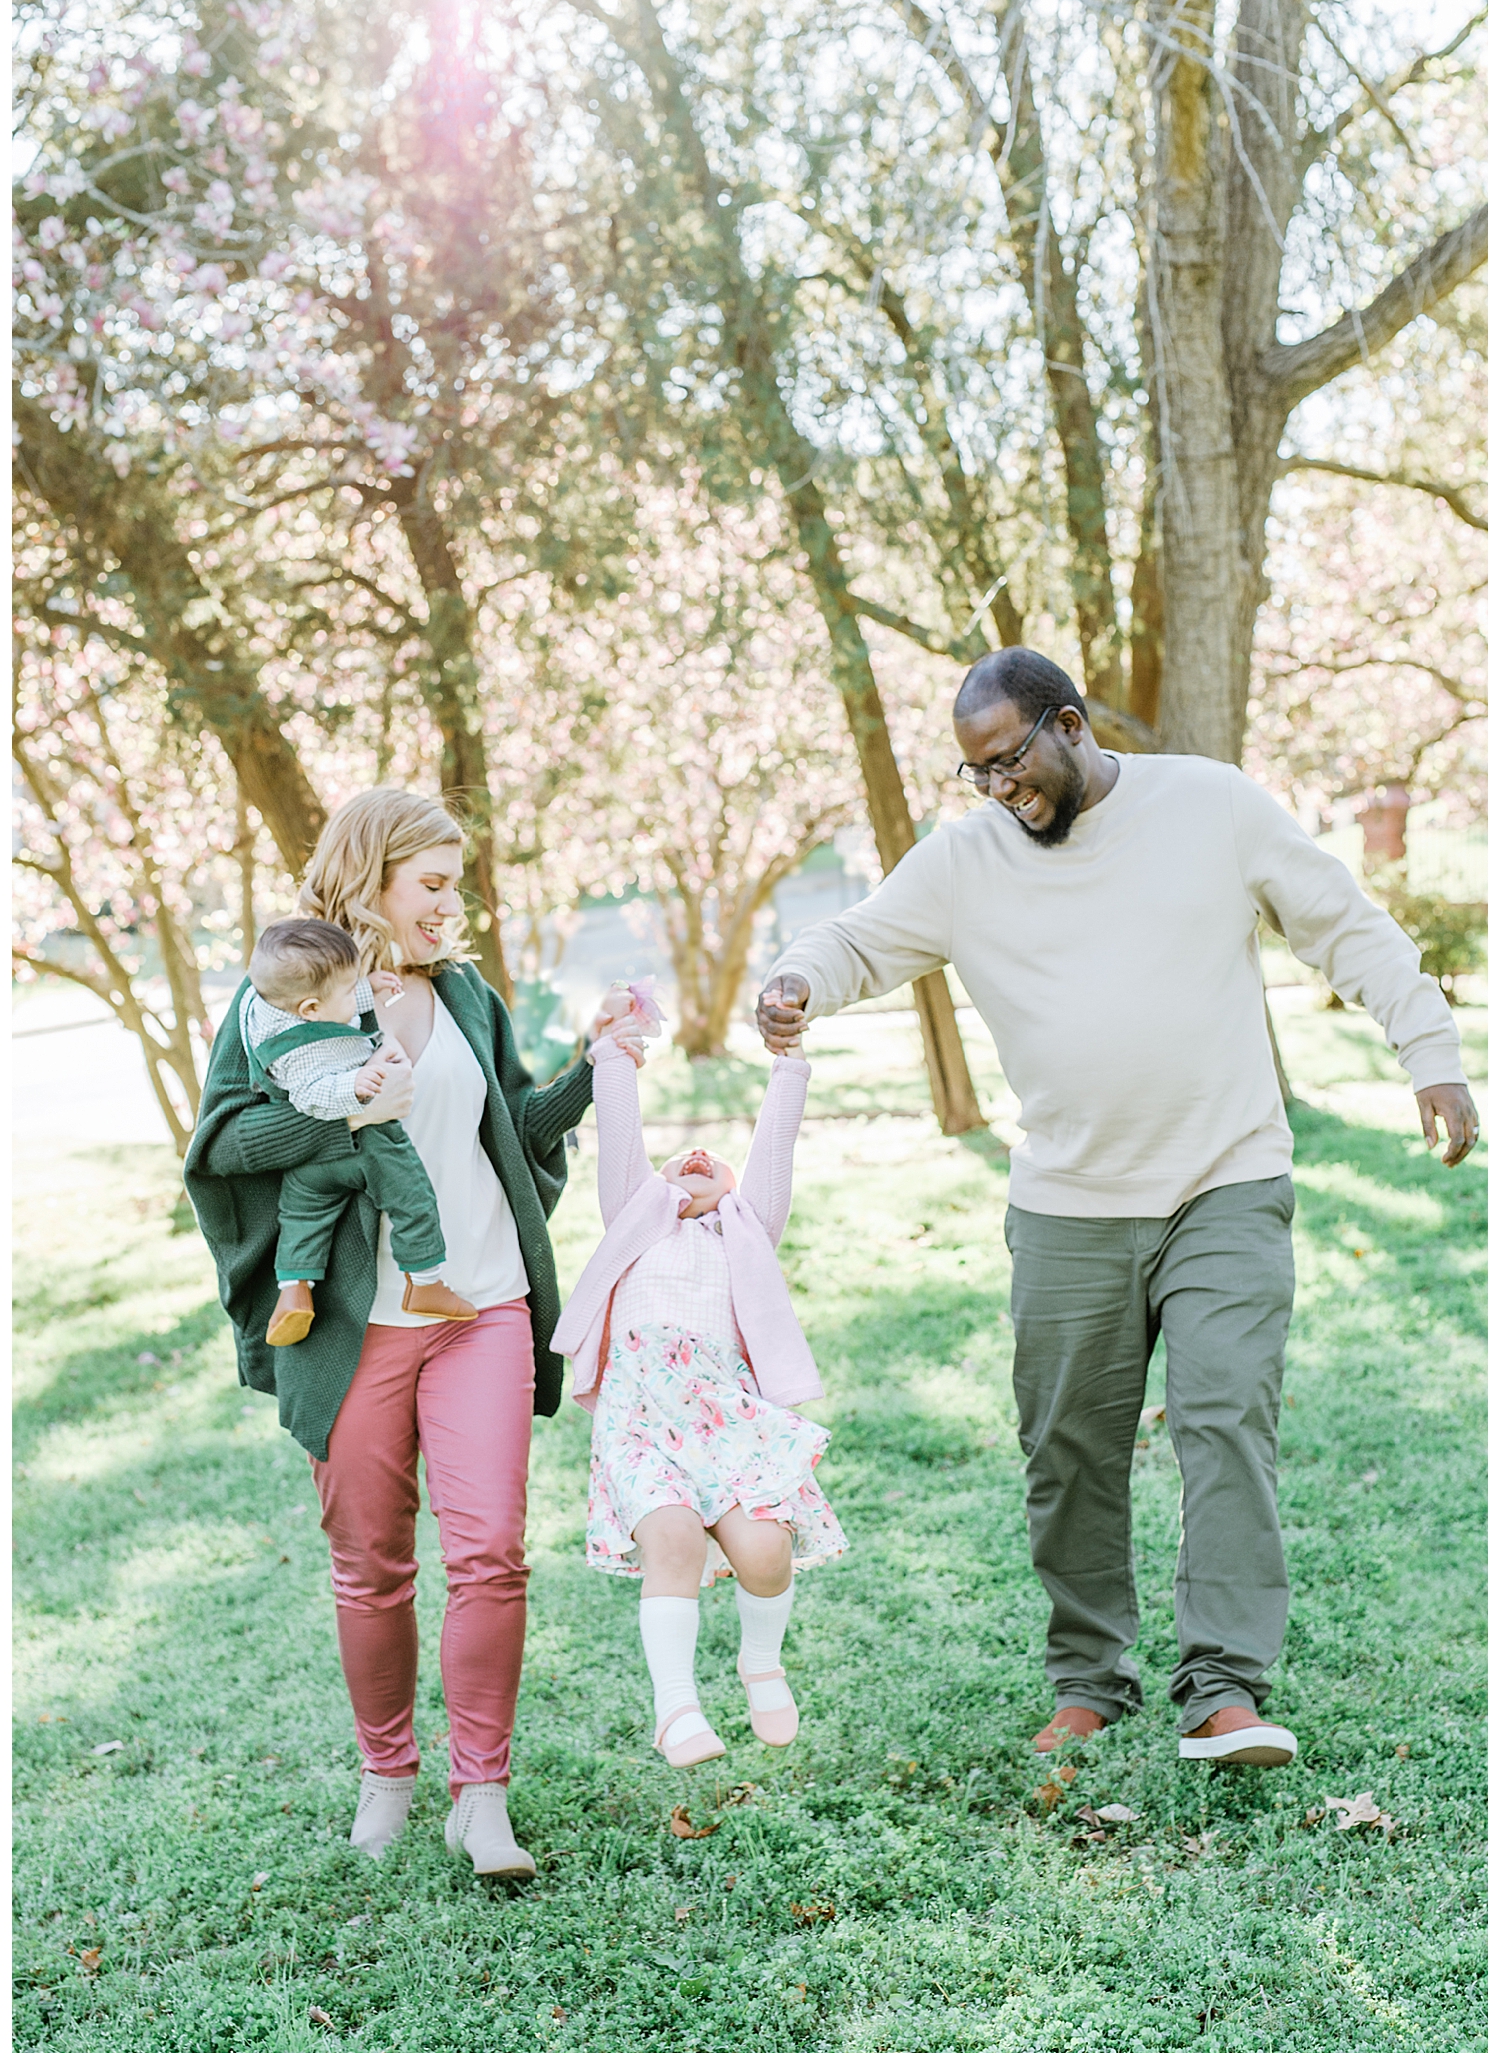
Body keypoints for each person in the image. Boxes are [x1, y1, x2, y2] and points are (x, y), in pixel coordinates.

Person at [757, 648, 1478, 1768]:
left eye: (1012, 761)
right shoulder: (965, 860)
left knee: (1226, 1416)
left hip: (1224, 1179)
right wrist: (800, 978)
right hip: (1069, 1202)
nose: (1002, 790)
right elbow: (858, 937)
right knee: (1068, 1451)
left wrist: (1430, 1050)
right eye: (978, 773)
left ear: (1071, 724)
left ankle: (1224, 1688)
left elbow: (1345, 922)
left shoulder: (1212, 805)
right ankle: (1090, 1676)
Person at [186, 787, 635, 1875]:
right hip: (356, 1328)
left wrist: (592, 1065)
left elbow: (510, 1127)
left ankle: (481, 1796)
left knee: (490, 1556)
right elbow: (225, 1143)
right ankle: (387, 1775)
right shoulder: (285, 999)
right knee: (371, 1566)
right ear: (372, 876)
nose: (450, 903)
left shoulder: (467, 995)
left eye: (454, 883)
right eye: (431, 883)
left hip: (481, 1305)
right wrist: (347, 1103)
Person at [552, 990, 845, 1769]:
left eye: (714, 1162)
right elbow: (621, 1135)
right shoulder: (634, 1216)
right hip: (645, 1424)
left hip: (726, 1424)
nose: (698, 1158)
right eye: (683, 1161)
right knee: (673, 1541)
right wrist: (612, 1052)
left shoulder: (745, 1235)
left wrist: (788, 1066)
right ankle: (676, 1709)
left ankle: (761, 1662)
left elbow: (773, 1152)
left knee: (766, 1548)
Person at [241, 915, 478, 1345]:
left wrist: (368, 988)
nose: (357, 994)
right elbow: (310, 1096)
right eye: (352, 991)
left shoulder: (272, 1009)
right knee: (413, 1199)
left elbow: (331, 999)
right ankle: (425, 1282)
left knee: (302, 1216)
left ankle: (294, 1292)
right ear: (310, 1011)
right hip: (368, 1142)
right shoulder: (303, 1054)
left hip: (309, 1167)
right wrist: (354, 1087)